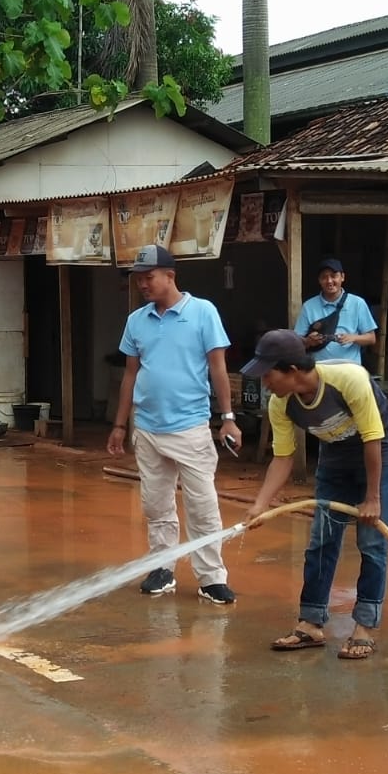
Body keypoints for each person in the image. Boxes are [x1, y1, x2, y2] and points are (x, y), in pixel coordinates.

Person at [241, 329, 388, 660]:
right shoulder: (280, 403)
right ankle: (311, 623)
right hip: (336, 460)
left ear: (292, 370)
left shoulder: (349, 379)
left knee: (371, 542)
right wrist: (259, 505)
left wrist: (373, 498)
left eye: (268, 374)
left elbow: (373, 438)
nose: (265, 383)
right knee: (321, 542)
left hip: (379, 456)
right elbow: (283, 457)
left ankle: (365, 627)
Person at [106, 244, 241, 604]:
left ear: (170, 275)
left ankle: (211, 578)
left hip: (191, 426)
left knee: (202, 506)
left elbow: (218, 368)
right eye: (138, 279)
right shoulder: (137, 321)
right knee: (156, 505)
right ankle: (163, 568)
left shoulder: (202, 313)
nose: (142, 285)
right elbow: (130, 375)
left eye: (148, 277)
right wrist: (120, 425)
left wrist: (227, 419)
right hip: (148, 429)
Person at [294, 258, 376, 364]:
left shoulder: (358, 303)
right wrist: (308, 342)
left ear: (342, 277)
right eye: (324, 277)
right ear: (319, 280)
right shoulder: (308, 306)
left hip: (350, 369)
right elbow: (296, 342)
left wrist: (353, 338)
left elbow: (371, 338)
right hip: (320, 369)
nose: (329, 281)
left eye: (333, 276)